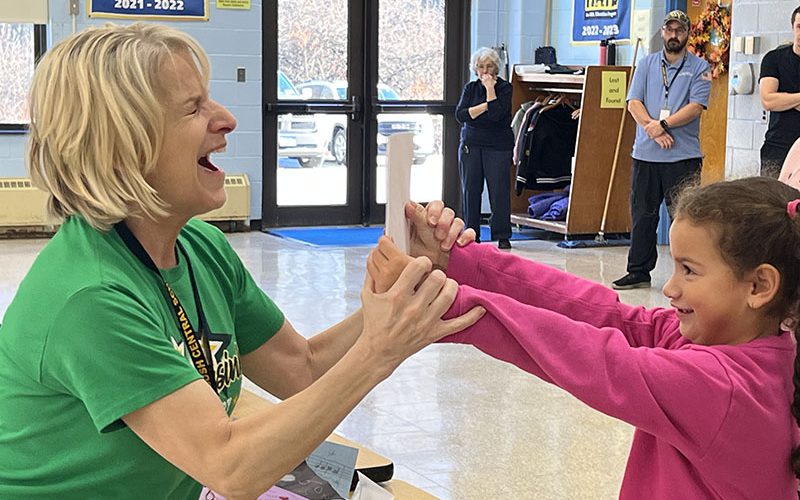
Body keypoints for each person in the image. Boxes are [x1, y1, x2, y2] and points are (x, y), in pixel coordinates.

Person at [0, 23, 485, 498]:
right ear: (120, 149)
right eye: (193, 108)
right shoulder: (91, 298)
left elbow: (303, 369)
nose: (226, 118)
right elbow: (231, 467)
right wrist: (377, 352)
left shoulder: (200, 247)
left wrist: (405, 288)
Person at [368, 176, 800, 498]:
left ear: (760, 286)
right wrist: (458, 262)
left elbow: (593, 356)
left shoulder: (720, 388)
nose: (669, 288)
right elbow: (600, 313)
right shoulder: (739, 346)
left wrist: (442, 301)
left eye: (690, 270)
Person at [612, 10, 710, 290]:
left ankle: (689, 272)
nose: (673, 35)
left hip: (683, 157)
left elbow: (695, 107)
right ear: (663, 33)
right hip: (646, 154)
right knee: (643, 214)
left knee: (684, 217)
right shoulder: (646, 63)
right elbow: (633, 102)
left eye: (679, 30)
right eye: (669, 30)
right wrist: (653, 130)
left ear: (687, 33)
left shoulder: (700, 67)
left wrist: (663, 124)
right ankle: (638, 270)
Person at [455, 47, 514, 249]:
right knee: (471, 189)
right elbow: (461, 115)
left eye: (489, 66)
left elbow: (498, 115)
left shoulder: (505, 88)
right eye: (481, 67)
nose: (485, 70)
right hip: (471, 144)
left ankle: (502, 234)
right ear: (475, 69)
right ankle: (472, 233)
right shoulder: (470, 89)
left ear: (496, 68)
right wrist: (485, 106)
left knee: (498, 191)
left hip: (498, 145)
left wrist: (490, 90)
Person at [759, 6, 800, 178]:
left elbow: (776, 99)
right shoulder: (773, 59)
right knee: (771, 204)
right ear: (793, 27)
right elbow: (768, 100)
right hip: (778, 149)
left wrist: (786, 100)